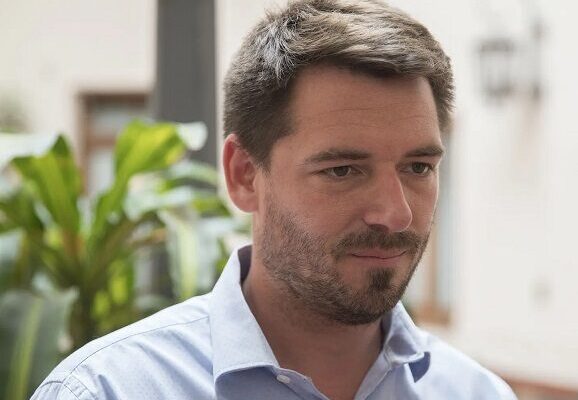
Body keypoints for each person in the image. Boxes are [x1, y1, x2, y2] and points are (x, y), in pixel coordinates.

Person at [32, 0, 517, 399]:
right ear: (244, 175)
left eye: (418, 168)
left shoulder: (476, 393)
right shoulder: (109, 390)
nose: (395, 213)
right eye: (342, 170)